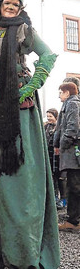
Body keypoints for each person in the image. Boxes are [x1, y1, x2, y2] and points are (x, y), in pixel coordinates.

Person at [0, 0, 60, 269]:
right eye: (7, 2)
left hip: (18, 108)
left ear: (20, 8)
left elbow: (48, 56)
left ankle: (23, 251)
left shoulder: (25, 30)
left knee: (20, 177)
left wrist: (30, 88)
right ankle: (2, 247)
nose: (11, 6)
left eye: (16, 3)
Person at [54, 82, 80, 232]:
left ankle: (74, 221)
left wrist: (62, 144)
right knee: (73, 185)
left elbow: (72, 127)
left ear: (67, 93)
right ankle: (73, 218)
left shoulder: (73, 104)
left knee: (74, 186)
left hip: (73, 152)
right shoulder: (70, 104)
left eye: (60, 92)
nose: (59, 96)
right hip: (70, 151)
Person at [44, 108, 66, 209]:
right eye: (47, 116)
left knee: (61, 179)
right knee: (52, 179)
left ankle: (63, 200)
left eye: (50, 116)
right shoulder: (45, 127)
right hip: (49, 157)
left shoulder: (60, 127)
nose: (49, 118)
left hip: (58, 158)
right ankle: (54, 198)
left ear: (55, 117)